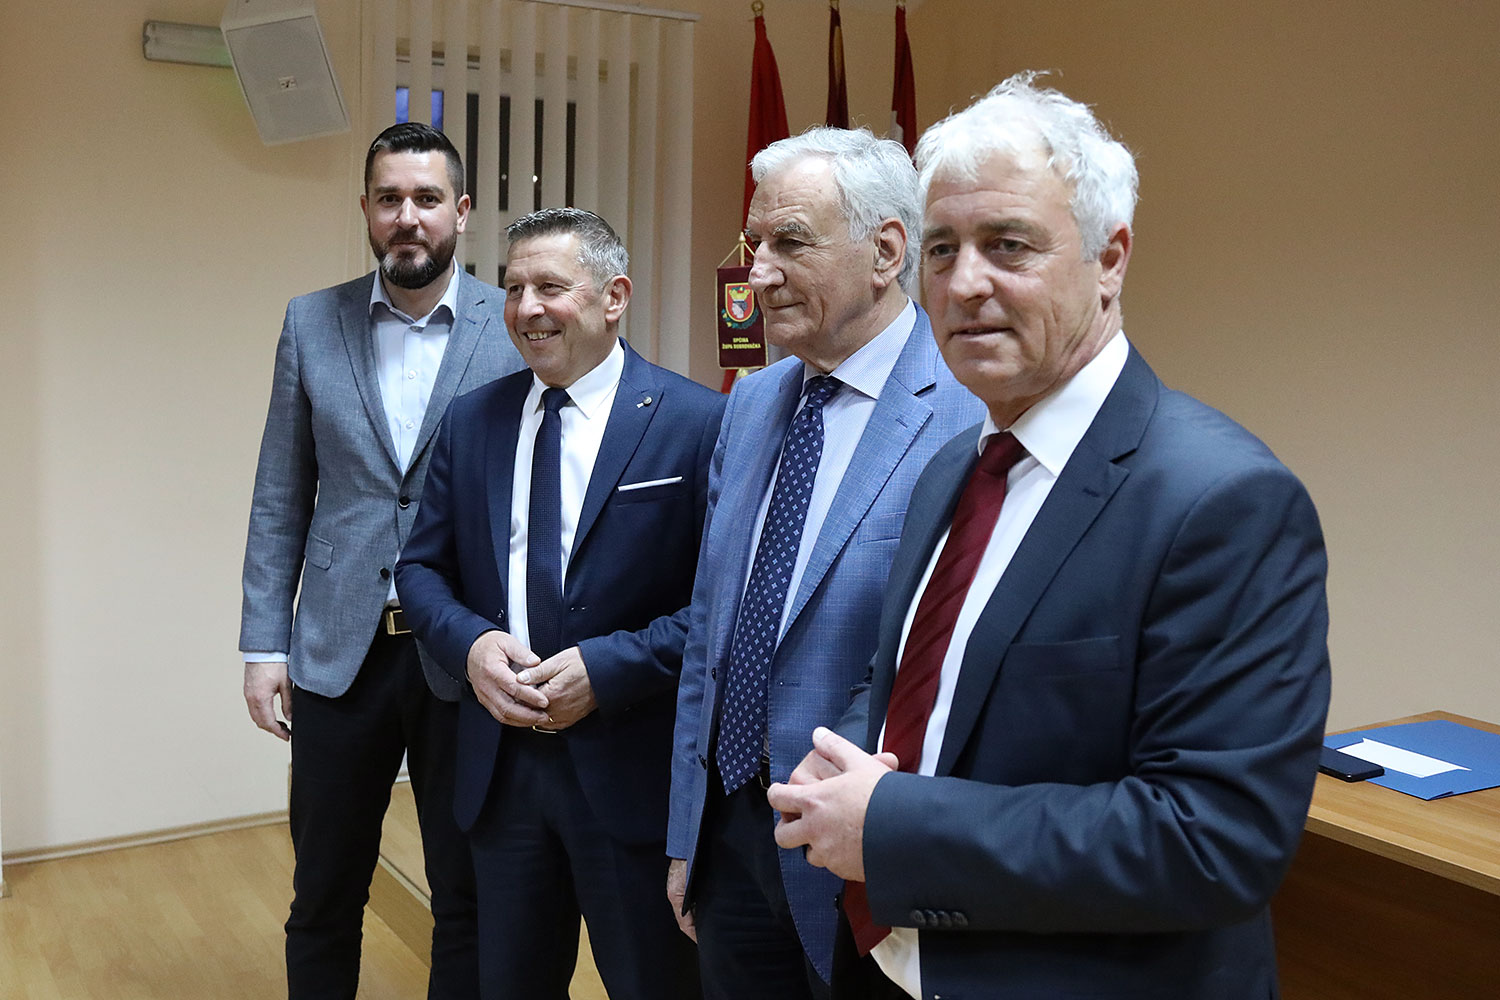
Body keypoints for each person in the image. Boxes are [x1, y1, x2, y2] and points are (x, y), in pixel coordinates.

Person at [767, 73, 1332, 1000]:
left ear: (1110, 259)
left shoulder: (1223, 501)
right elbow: (918, 678)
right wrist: (842, 757)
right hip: (890, 963)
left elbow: (1212, 839)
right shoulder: (954, 469)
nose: (964, 283)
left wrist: (892, 826)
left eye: (1008, 245)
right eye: (941, 249)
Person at [667, 128, 984, 999]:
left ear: (886, 252)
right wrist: (687, 835)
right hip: (731, 832)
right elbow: (711, 631)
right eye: (754, 244)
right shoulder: (751, 401)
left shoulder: (967, 413)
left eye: (790, 242)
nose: (757, 272)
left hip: (865, 854)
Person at [395, 207, 723, 1000]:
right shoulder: (474, 420)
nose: (527, 309)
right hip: (502, 772)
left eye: (549, 287)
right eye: (513, 289)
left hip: (630, 774)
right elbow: (421, 569)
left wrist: (607, 671)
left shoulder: (697, 422)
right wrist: (473, 647)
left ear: (614, 297)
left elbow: (721, 608)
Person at [239, 121, 523, 998]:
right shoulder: (309, 321)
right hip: (337, 652)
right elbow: (281, 493)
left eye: (427, 199)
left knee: (465, 897)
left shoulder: (513, 325)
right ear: (365, 208)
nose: (408, 217)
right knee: (323, 893)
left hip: (464, 651)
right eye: (390, 198)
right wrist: (264, 645)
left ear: (462, 211)